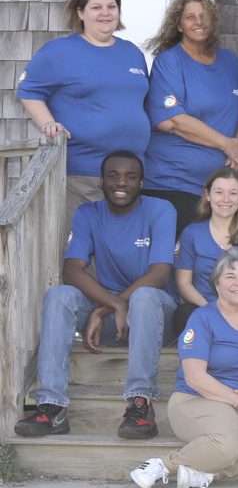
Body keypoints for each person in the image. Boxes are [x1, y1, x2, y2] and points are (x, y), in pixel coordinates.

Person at [16, 151, 176, 440]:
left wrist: (103, 310)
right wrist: (112, 304)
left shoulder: (161, 209)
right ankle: (52, 405)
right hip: (113, 315)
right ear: (101, 181)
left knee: (145, 297)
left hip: (153, 319)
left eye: (130, 176)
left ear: (142, 183)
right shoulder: (88, 213)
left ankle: (140, 405)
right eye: (113, 175)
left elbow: (160, 273)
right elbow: (72, 271)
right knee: (60, 295)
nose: (121, 182)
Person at [126, 248, 238, 488]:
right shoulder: (202, 318)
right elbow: (195, 378)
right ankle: (162, 465)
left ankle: (206, 475)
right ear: (216, 284)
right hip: (198, 398)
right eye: (230, 276)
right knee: (228, 443)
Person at [18, 0, 151, 215]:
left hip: (129, 176)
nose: (105, 13)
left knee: (118, 249)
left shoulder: (132, 53)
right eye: (96, 7)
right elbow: (29, 91)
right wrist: (49, 123)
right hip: (83, 176)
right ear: (80, 12)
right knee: (78, 247)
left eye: (111, 7)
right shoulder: (59, 51)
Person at [143, 0, 238, 229]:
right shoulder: (169, 62)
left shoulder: (230, 61)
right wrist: (226, 144)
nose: (199, 22)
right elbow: (173, 121)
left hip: (226, 191)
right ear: (179, 25)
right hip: (176, 185)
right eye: (190, 16)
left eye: (205, 16)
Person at [172, 168, 238, 336]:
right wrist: (212, 309)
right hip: (204, 306)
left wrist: (235, 303)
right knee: (184, 314)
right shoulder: (191, 233)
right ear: (207, 195)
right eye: (219, 192)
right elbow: (183, 284)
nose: (226, 199)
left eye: (233, 193)